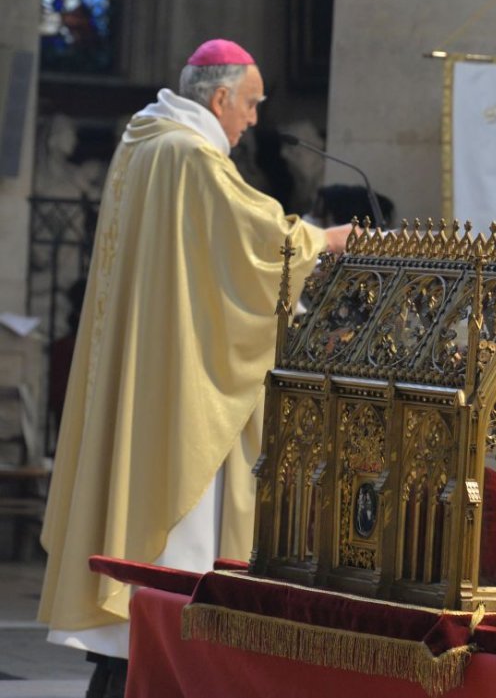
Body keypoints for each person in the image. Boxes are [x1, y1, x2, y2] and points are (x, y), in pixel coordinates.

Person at [37, 39, 354, 697]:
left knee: (134, 605)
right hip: (176, 386)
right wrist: (322, 240)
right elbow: (250, 238)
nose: (254, 120)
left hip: (153, 367)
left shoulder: (143, 144)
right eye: (251, 104)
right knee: (169, 564)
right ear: (219, 97)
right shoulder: (188, 154)